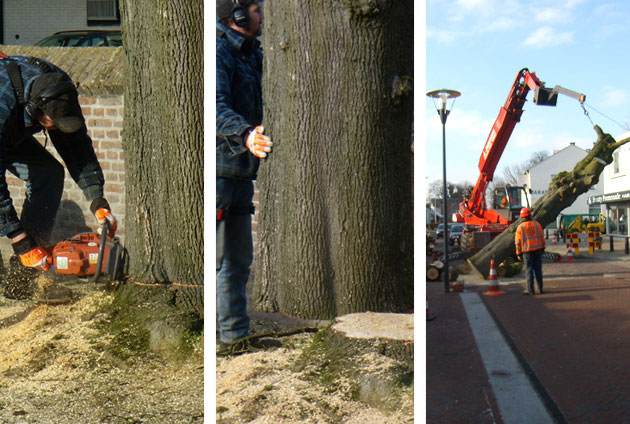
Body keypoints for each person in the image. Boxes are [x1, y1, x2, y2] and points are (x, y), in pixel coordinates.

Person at [0, 53, 116, 298]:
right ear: (36, 110)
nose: (56, 130)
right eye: (53, 124)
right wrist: (20, 239)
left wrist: (97, 199)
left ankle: (24, 277)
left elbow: (77, 149)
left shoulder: (59, 89)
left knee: (49, 173)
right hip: (4, 120)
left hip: (10, 129)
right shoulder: (4, 102)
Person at [216, 0, 273, 351]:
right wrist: (246, 134)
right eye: (255, 9)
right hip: (221, 171)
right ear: (236, 14)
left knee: (239, 258)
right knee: (221, 257)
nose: (262, 15)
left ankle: (235, 336)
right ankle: (225, 334)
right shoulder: (220, 51)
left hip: (241, 174)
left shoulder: (254, 54)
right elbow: (215, 105)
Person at [515, 208, 545, 295]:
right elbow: (542, 238)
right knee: (538, 270)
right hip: (537, 251)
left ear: (522, 217)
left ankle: (530, 289)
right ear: (530, 215)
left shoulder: (520, 228)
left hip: (527, 252)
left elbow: (517, 242)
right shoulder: (537, 225)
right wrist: (543, 248)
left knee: (529, 271)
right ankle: (540, 289)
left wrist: (518, 253)